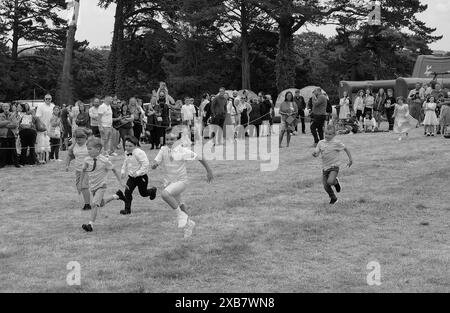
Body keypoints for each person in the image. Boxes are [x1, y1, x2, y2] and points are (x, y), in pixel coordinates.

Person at [151, 127, 214, 239]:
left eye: (172, 139)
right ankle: (189, 224)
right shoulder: (163, 149)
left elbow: (200, 157)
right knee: (181, 205)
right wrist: (155, 165)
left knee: (165, 194)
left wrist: (209, 171)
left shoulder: (183, 151)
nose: (169, 142)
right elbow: (157, 161)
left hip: (181, 182)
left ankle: (180, 216)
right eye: (167, 139)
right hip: (169, 183)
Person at [80, 138, 126, 232]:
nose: (88, 151)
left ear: (98, 149)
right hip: (93, 186)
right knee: (100, 204)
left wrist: (121, 182)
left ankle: (90, 225)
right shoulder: (87, 159)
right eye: (87, 149)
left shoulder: (104, 160)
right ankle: (116, 196)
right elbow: (83, 170)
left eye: (90, 149)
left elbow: (114, 169)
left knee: (94, 204)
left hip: (101, 186)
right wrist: (81, 183)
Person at [115, 136, 157, 215]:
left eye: (130, 146)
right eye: (126, 145)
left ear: (135, 145)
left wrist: (138, 173)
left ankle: (152, 191)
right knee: (127, 192)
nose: (127, 148)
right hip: (131, 178)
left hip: (141, 177)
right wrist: (123, 171)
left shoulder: (139, 153)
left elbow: (145, 164)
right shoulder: (126, 152)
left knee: (143, 193)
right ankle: (127, 210)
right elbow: (125, 162)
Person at [312, 125, 353, 205]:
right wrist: (315, 154)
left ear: (334, 134)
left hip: (334, 167)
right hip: (325, 168)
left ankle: (335, 182)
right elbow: (317, 152)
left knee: (330, 181)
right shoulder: (321, 143)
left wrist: (350, 159)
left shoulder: (336, 143)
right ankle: (333, 198)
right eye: (326, 133)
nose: (327, 136)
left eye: (330, 134)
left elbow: (346, 149)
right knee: (326, 186)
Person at [65, 128, 92, 211]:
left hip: (88, 169)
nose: (78, 140)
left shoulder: (89, 145)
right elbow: (69, 155)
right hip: (78, 170)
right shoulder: (74, 146)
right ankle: (94, 198)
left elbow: (97, 155)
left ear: (85, 138)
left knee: (84, 186)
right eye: (76, 138)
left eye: (80, 138)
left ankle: (87, 205)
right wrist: (67, 165)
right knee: (79, 187)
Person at [0, 102, 21, 168]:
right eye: (4, 106)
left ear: (9, 107)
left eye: (7, 106)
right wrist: (9, 121)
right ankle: (2, 164)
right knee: (3, 150)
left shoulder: (13, 114)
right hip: (3, 135)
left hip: (12, 134)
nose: (5, 107)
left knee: (14, 150)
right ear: (2, 108)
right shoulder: (0, 115)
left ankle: (16, 163)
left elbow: (15, 124)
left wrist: (5, 124)